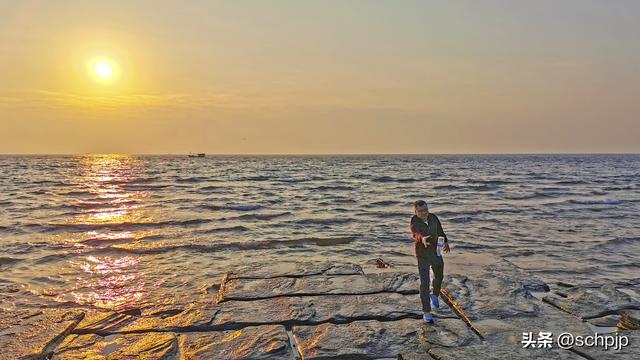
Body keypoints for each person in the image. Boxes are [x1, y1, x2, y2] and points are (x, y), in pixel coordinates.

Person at [409, 200, 450, 324]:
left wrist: (446, 241)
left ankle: (435, 294)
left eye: (425, 210)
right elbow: (415, 233)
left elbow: (440, 231)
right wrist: (422, 238)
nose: (424, 213)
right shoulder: (414, 221)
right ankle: (426, 312)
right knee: (425, 282)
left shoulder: (433, 217)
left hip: (435, 251)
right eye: (420, 211)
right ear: (415, 212)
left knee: (439, 275)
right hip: (422, 255)